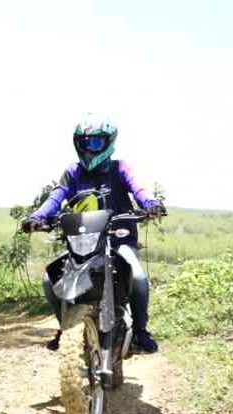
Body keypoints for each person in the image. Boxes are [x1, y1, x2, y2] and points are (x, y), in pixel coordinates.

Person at [21, 114, 165, 353]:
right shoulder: (73, 172)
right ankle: (67, 327)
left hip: (118, 240)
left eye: (96, 143)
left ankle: (140, 332)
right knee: (50, 281)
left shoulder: (119, 169)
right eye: (84, 142)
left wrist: (150, 203)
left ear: (107, 143)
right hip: (82, 244)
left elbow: (138, 187)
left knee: (138, 279)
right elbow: (55, 197)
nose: (89, 148)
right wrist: (37, 217)